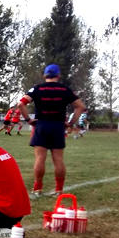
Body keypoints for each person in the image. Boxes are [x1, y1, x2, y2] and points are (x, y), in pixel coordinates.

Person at [18, 64, 86, 197]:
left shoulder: (37, 88)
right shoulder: (64, 89)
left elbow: (21, 104)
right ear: (58, 75)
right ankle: (59, 190)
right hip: (58, 126)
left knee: (39, 158)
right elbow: (80, 106)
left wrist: (28, 120)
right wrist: (70, 123)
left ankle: (37, 189)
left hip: (41, 126)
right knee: (58, 159)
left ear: (45, 75)